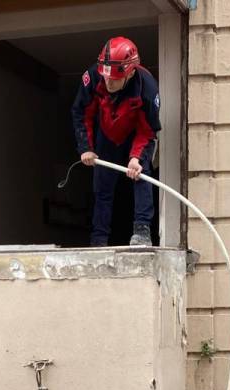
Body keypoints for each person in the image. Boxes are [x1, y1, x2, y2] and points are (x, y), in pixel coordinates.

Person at [72, 36, 161, 247]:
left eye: (114, 79)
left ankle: (142, 231)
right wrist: (86, 148)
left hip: (135, 134)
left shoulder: (147, 88)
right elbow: (81, 112)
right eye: (105, 77)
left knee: (142, 175)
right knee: (102, 186)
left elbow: (147, 130)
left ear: (129, 73)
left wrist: (136, 157)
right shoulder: (94, 76)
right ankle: (99, 238)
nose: (108, 82)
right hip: (107, 133)